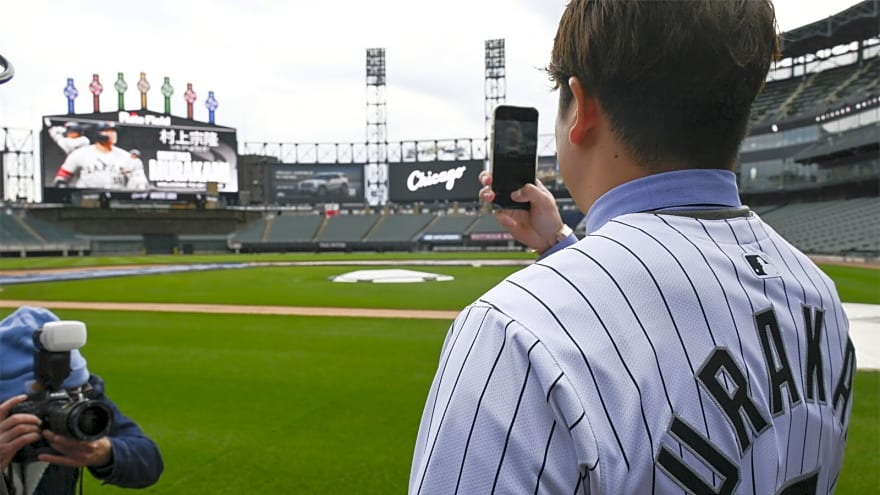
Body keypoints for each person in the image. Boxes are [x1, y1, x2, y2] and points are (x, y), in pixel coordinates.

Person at [409, 1, 855, 494]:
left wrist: (569, 270)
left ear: (582, 109)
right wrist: (562, 247)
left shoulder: (515, 329)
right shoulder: (820, 298)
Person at [0, 307, 163, 494]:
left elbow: (148, 462)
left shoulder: (79, 395)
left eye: (66, 397)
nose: (57, 409)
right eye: (36, 403)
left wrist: (105, 453)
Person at [52, 122, 132, 190]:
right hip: (87, 202)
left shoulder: (126, 156)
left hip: (116, 202)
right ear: (96, 134)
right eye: (107, 131)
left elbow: (138, 182)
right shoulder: (79, 154)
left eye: (114, 131)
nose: (112, 134)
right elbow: (61, 179)